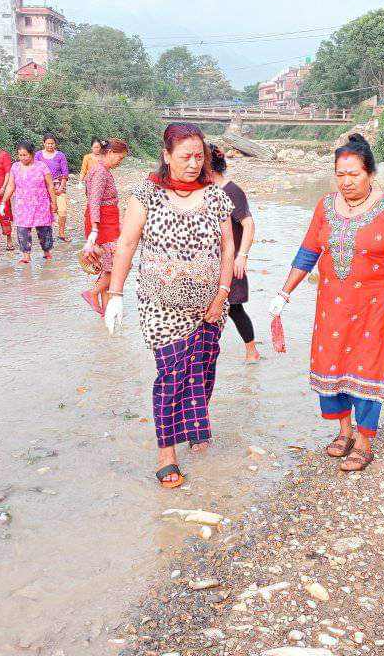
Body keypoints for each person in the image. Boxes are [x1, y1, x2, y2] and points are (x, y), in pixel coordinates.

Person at [268, 134, 384, 473]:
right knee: (331, 364)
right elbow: (308, 252)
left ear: (370, 174)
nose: (346, 182)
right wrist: (284, 292)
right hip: (331, 305)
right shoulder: (325, 206)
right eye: (340, 174)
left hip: (376, 305)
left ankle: (364, 441)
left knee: (367, 368)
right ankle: (344, 431)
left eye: (354, 175)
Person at [104, 123, 235, 488]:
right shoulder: (147, 194)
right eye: (185, 157)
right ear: (167, 156)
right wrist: (115, 295)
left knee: (203, 373)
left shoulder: (216, 196)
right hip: (161, 308)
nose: (194, 164)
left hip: (210, 307)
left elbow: (229, 247)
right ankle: (167, 453)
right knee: (171, 377)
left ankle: (196, 427)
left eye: (199, 156)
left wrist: (222, 294)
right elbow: (127, 245)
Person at [210, 144, 261, 362]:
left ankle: (252, 351)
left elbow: (248, 223)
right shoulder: (207, 191)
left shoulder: (232, 191)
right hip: (211, 262)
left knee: (234, 308)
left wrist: (243, 255)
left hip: (231, 261)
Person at [81, 138, 129, 314]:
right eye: (120, 158)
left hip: (105, 222)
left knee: (108, 266)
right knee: (119, 264)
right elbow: (94, 201)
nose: (120, 162)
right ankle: (92, 292)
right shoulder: (101, 172)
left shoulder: (97, 169)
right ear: (110, 153)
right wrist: (94, 229)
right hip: (104, 224)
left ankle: (105, 311)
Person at [1, 141, 56, 264]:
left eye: (25, 155)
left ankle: (47, 252)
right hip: (22, 205)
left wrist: (54, 203)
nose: (23, 158)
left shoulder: (42, 166)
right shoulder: (15, 167)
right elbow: (11, 186)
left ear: (32, 154)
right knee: (22, 229)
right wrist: (4, 201)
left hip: (41, 204)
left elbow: (50, 186)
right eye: (20, 155)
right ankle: (26, 256)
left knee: (44, 229)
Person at [34, 134, 70, 242]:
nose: (50, 145)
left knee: (62, 210)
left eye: (52, 143)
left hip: (58, 185)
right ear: (44, 143)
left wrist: (61, 187)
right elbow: (35, 171)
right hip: (43, 187)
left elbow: (65, 173)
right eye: (48, 143)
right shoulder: (38, 155)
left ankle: (61, 233)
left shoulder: (60, 155)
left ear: (55, 144)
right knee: (45, 212)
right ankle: (47, 235)